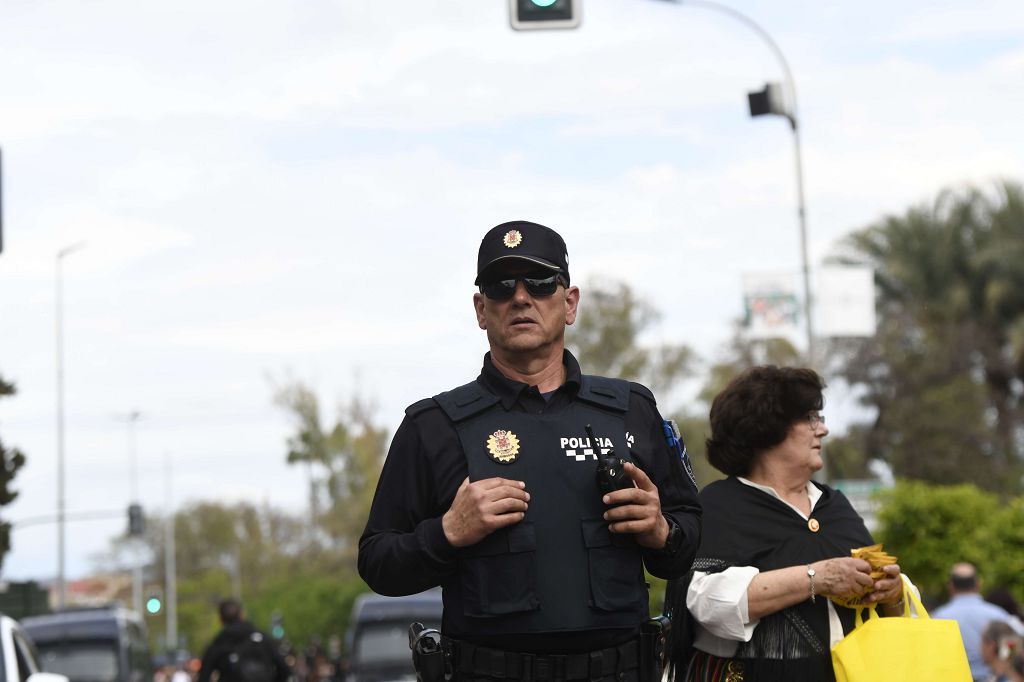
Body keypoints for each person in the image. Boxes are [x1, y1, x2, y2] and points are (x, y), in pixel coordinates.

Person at [358, 220, 702, 682]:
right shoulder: (434, 425)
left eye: (539, 283)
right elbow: (378, 563)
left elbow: (690, 540)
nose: (520, 298)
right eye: (501, 287)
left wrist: (661, 530)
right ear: (481, 309)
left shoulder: (630, 410)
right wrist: (447, 532)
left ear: (570, 302)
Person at [667, 366, 912, 682]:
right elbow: (706, 604)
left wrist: (892, 593)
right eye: (810, 418)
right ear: (766, 427)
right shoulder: (719, 506)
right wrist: (815, 577)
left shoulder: (835, 505)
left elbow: (887, 609)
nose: (822, 430)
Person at [934, 563, 1014, 681]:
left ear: (951, 586)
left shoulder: (939, 617)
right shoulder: (998, 614)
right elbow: (1013, 646)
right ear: (978, 584)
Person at [197, 599, 291, 682]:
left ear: (221, 619)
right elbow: (284, 670)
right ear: (242, 615)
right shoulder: (261, 638)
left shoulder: (218, 643)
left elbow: (204, 675)